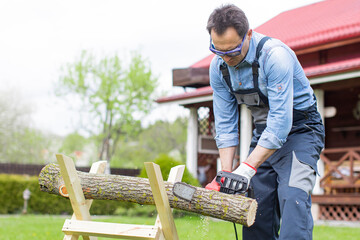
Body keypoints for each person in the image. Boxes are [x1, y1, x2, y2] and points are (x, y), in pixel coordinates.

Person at [204, 4, 325, 240]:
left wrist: (247, 168)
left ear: (248, 34)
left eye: (232, 51)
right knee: (256, 213)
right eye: (219, 51)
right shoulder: (218, 67)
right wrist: (227, 173)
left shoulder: (274, 56)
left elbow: (281, 123)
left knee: (293, 201)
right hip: (263, 133)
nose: (226, 58)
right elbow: (226, 125)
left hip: (301, 131)